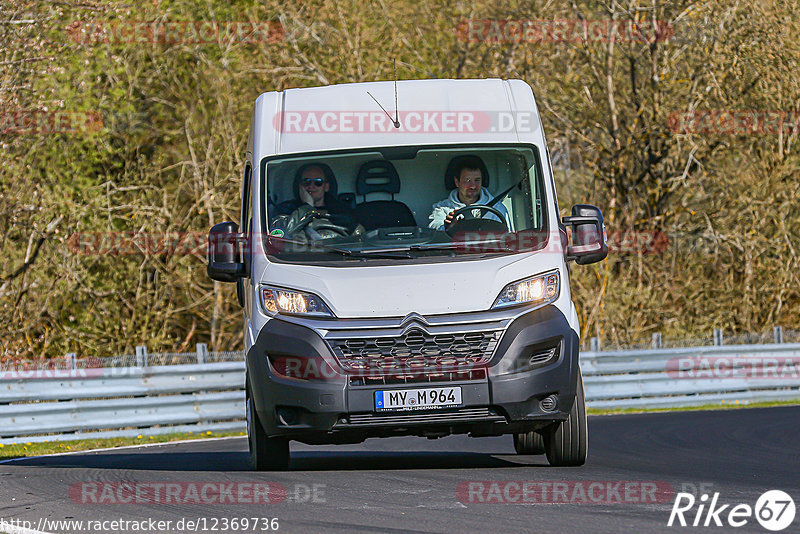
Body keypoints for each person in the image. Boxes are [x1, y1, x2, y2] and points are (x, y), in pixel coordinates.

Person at [271, 163, 359, 238]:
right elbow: (281, 235)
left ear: (326, 186)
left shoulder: (342, 213)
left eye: (318, 182)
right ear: (299, 185)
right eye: (307, 182)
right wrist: (307, 207)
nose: (311, 186)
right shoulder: (285, 210)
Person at [428, 155, 511, 231]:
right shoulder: (442, 209)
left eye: (477, 180)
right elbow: (434, 230)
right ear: (457, 182)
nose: (473, 186)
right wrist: (449, 227)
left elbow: (508, 238)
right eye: (467, 180)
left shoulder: (497, 209)